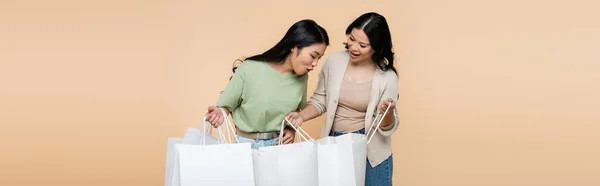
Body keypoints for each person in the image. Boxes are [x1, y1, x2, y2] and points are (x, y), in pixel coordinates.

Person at [285, 12, 399, 185]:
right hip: (335, 143)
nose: (353, 47)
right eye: (352, 39)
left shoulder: (387, 77)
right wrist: (301, 116)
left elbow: (387, 126)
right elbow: (320, 99)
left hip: (372, 150)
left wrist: (387, 112)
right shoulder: (334, 62)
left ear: (376, 47)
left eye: (362, 45)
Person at [205, 19, 330, 149]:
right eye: (313, 56)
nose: (315, 63)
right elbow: (226, 105)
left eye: (319, 58)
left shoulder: (302, 78)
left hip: (279, 146)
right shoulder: (250, 68)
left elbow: (296, 113)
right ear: (294, 46)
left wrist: (291, 130)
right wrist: (219, 112)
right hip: (246, 145)